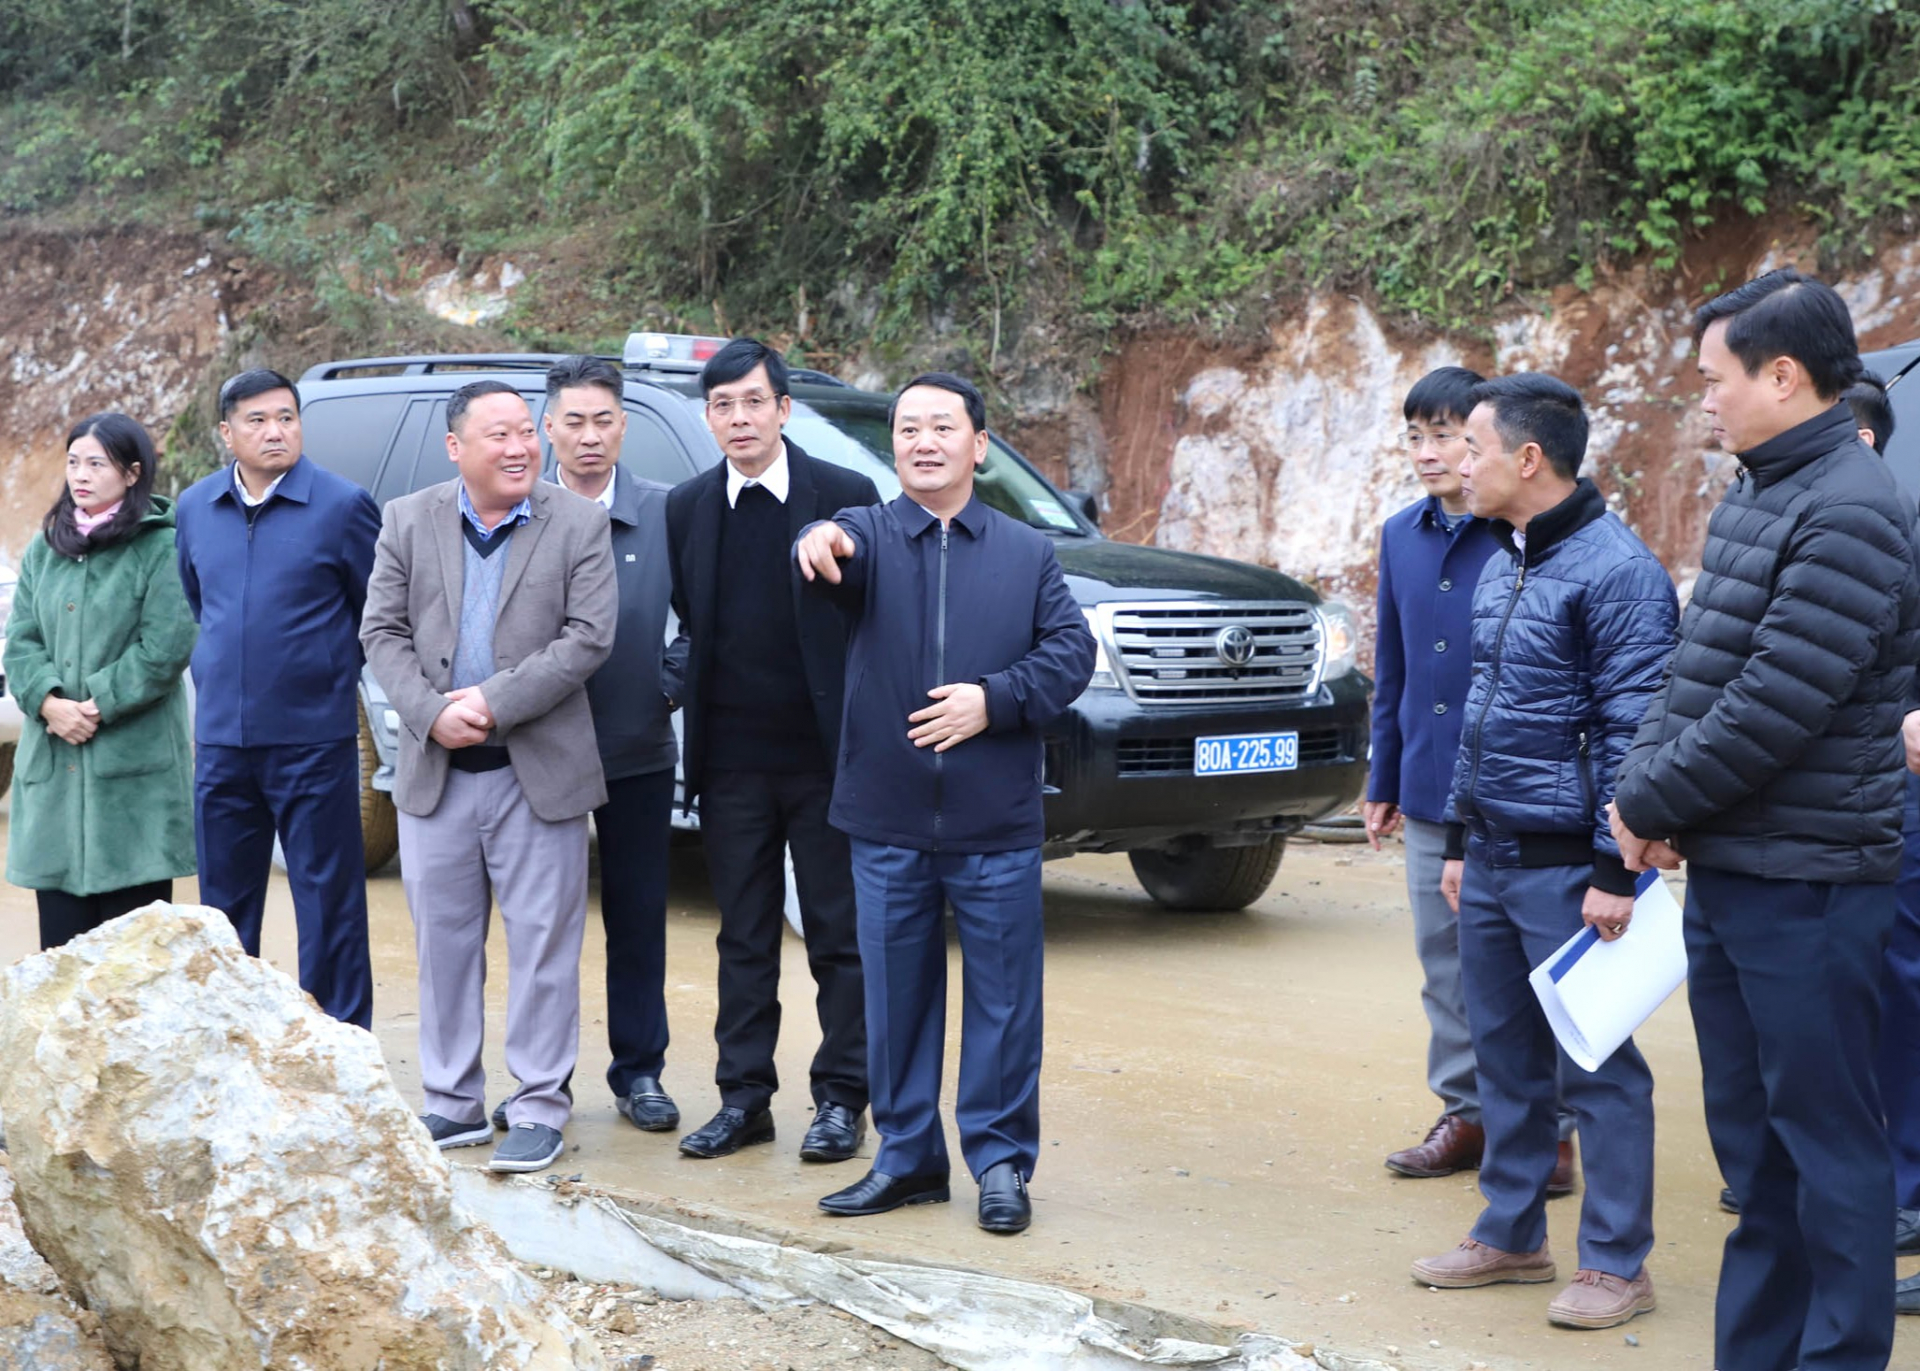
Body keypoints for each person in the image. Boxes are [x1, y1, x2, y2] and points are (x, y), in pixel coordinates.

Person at [1612, 268, 1920, 1370]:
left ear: (1783, 376)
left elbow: (1776, 705)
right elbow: (1697, 668)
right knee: (1756, 1155)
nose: (1704, 399)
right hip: (1738, 870)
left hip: (1813, 881)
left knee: (1829, 1146)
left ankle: (1839, 1357)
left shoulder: (1850, 507)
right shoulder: (1762, 488)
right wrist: (1638, 791)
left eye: (1715, 378)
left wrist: (1650, 799)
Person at [796, 372, 1095, 1233]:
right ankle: (906, 1158)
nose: (923, 441)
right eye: (908, 429)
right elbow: (828, 542)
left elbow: (1070, 656)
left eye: (942, 427)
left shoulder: (1026, 551)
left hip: (994, 822)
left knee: (1005, 1002)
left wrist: (991, 701)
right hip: (886, 816)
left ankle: (1000, 1162)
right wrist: (816, 535)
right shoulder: (870, 536)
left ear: (980, 445)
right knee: (893, 998)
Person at [1413, 374, 1675, 1331]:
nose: (1456, 464)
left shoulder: (1618, 573)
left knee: (1596, 1065)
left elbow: (1633, 732)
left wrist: (1619, 871)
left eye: (1472, 447)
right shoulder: (1503, 559)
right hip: (1488, 853)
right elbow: (1479, 720)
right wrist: (1454, 837)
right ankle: (1513, 1233)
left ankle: (1617, 1263)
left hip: (1572, 866)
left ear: (1528, 459)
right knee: (1506, 1059)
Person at [360, 380, 616, 1174]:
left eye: (523, 434)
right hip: (437, 772)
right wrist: (430, 712)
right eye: (497, 434)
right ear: (455, 447)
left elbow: (589, 637)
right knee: (443, 944)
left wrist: (495, 703)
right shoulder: (408, 519)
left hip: (534, 771)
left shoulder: (576, 521)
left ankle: (539, 1103)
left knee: (544, 945)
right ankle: (452, 1102)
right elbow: (381, 629)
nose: (518, 448)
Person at [664, 337, 881, 1165]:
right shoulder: (688, 507)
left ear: (784, 410)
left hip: (827, 760)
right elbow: (694, 624)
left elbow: (869, 612)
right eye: (723, 405)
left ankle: (840, 1100)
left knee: (838, 936)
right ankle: (744, 1098)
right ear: (709, 417)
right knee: (743, 937)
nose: (739, 418)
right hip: (731, 763)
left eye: (754, 402)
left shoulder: (846, 495)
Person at [1366, 366, 1575, 1196]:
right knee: (1443, 959)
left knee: (1532, 960)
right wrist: (1384, 773)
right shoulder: (1399, 534)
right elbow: (1396, 666)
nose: (1429, 452)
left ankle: (1553, 1129)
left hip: (1519, 789)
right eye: (1415, 435)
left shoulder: (1524, 532)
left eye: (1448, 433)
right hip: (1427, 785)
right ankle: (1467, 1112)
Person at [174, 368, 380, 1028]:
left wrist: (322, 673)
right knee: (223, 907)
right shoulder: (195, 508)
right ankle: (231, 1042)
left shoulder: (342, 505)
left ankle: (340, 1043)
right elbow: (201, 602)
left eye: (287, 417)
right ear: (226, 433)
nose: (275, 430)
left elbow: (374, 614)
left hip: (312, 741)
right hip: (222, 744)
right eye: (258, 420)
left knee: (328, 900)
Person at [510, 354, 684, 1136]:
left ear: (623, 426)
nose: (588, 436)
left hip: (637, 745)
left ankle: (638, 1069)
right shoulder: (517, 510)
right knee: (539, 922)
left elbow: (705, 623)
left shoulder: (664, 512)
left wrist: (666, 683)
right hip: (536, 749)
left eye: (603, 420)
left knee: (638, 915)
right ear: (548, 428)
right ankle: (537, 1081)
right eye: (572, 421)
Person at [4, 413, 196, 948]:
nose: (80, 475)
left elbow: (166, 647)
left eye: (96, 463)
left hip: (132, 782)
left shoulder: (161, 547)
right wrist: (47, 702)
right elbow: (19, 639)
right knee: (61, 959)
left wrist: (93, 705)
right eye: (73, 463)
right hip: (55, 769)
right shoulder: (47, 547)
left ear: (132, 474)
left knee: (134, 963)